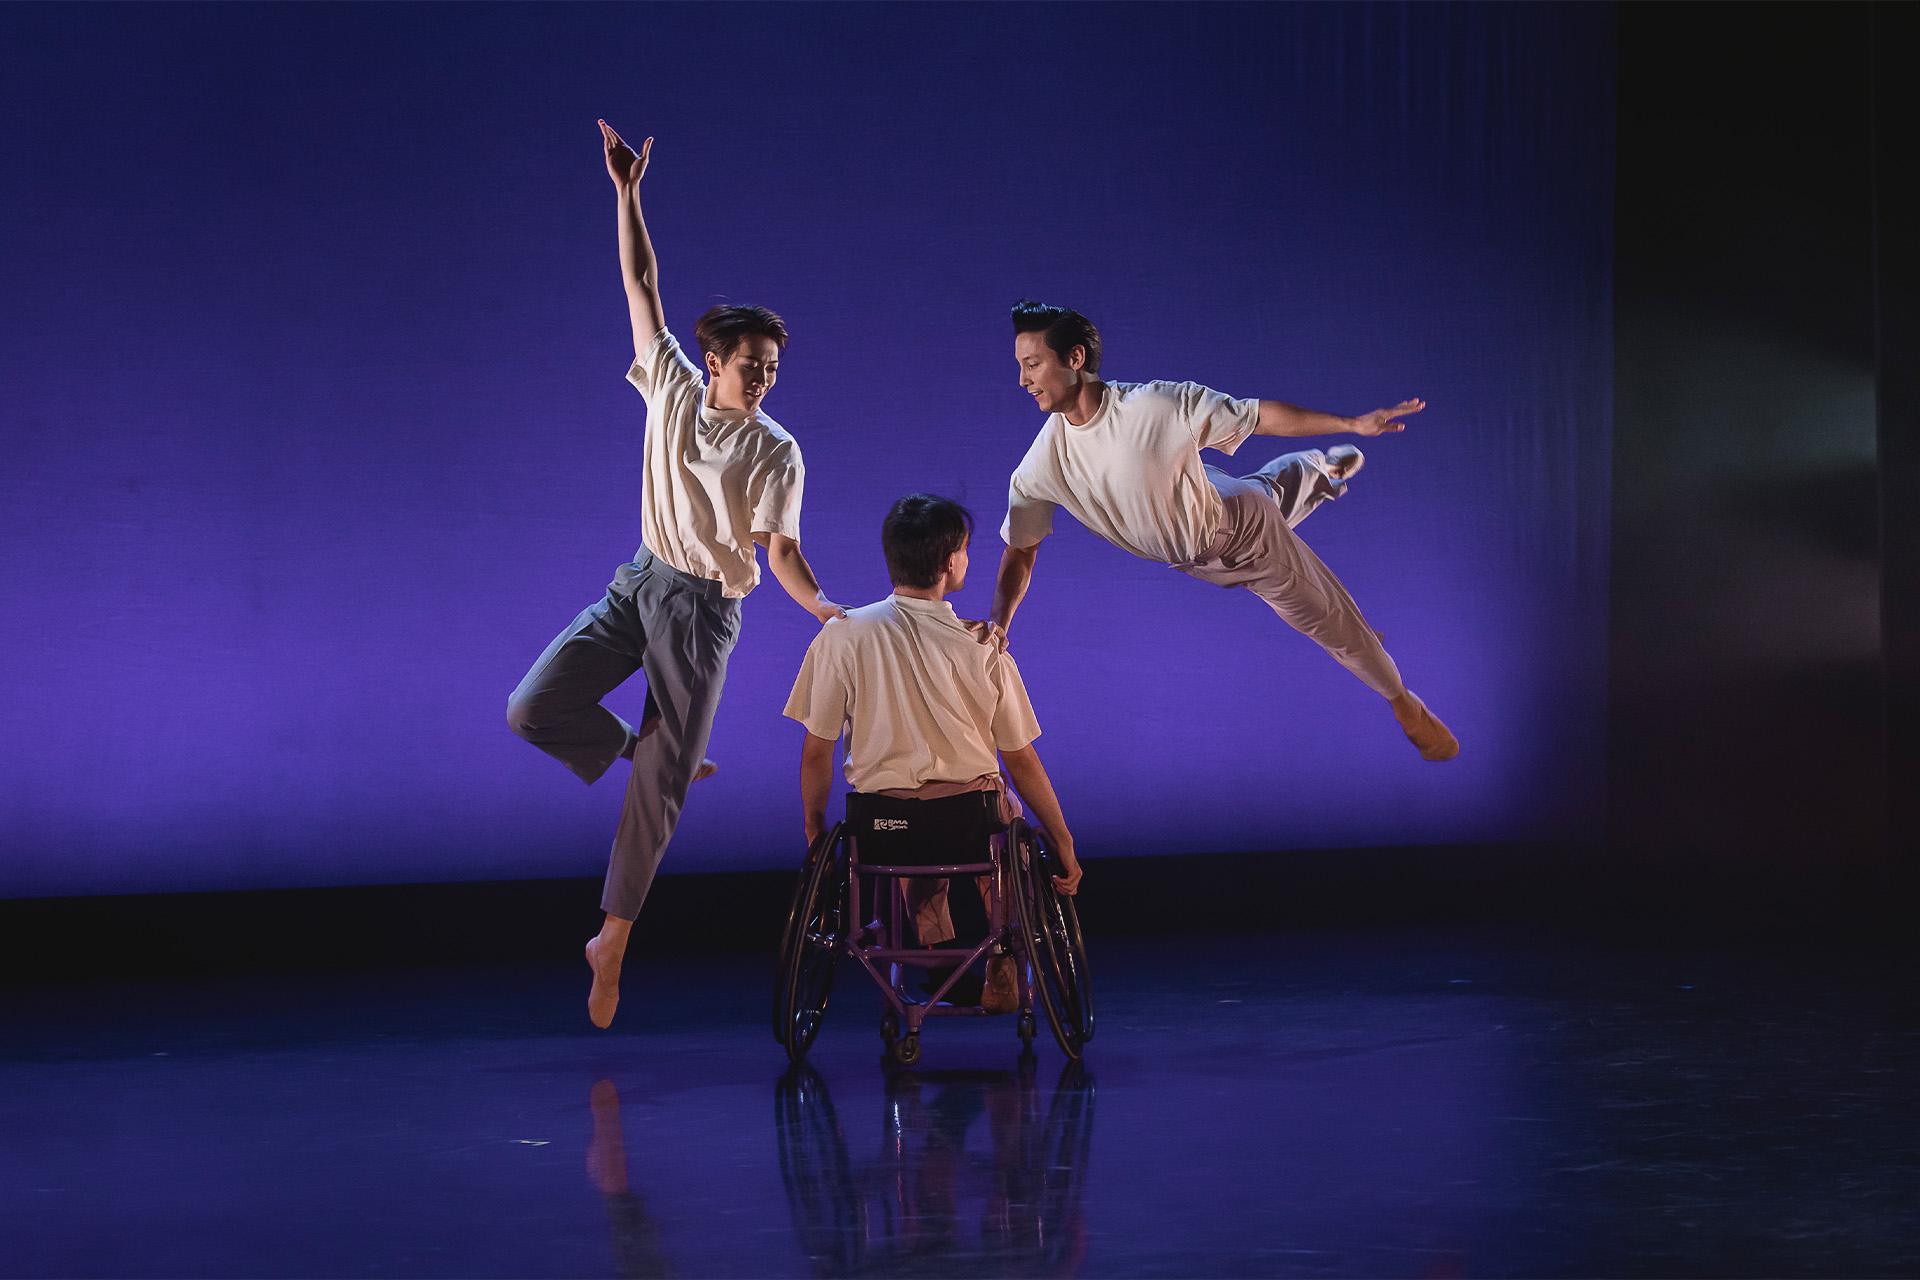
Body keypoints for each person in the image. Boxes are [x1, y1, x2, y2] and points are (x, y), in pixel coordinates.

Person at [507, 121, 845, 1029]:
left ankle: (610, 939)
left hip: (702, 615)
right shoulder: (668, 385)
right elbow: (641, 283)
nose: (764, 382)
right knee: (532, 708)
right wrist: (628, 191)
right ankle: (650, 751)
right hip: (639, 583)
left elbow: (780, 553)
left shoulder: (779, 449)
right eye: (751, 368)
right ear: (714, 364)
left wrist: (821, 607)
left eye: (772, 370)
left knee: (657, 793)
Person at [987, 300, 1459, 761]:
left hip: (1240, 535)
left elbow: (1257, 416)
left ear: (1075, 358)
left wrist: (1352, 422)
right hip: (1202, 515)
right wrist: (1001, 624)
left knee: (1329, 621)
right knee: (1261, 493)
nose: (1023, 380)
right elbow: (1020, 551)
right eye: (1020, 366)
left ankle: (1404, 702)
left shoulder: (1153, 405)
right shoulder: (1041, 464)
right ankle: (1320, 469)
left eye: (1032, 364)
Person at [784, 494, 1082, 1013]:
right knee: (1001, 822)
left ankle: (940, 957)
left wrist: (815, 835)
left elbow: (816, 754)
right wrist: (1064, 841)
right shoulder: (983, 646)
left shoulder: (841, 637)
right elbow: (1022, 759)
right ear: (949, 563)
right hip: (971, 825)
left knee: (914, 843)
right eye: (966, 550)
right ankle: (1001, 952)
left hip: (882, 830)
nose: (968, 559)